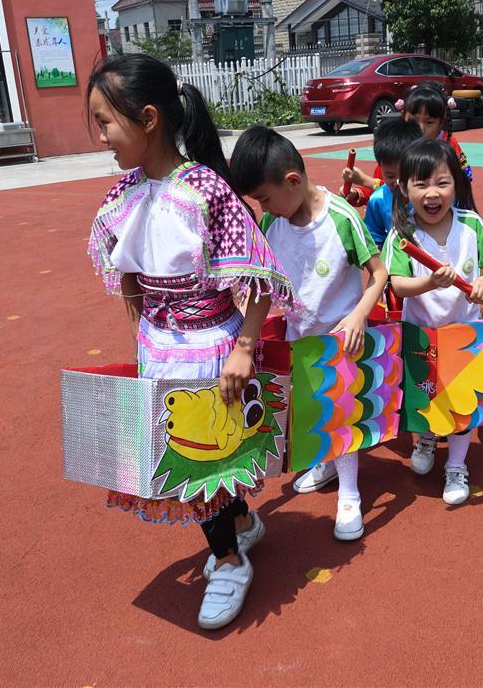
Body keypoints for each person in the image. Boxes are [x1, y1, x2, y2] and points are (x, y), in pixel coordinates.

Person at [86, 54, 299, 629]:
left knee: (200, 458)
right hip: (160, 346)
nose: (101, 136)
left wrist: (245, 348)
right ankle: (243, 527)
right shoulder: (124, 193)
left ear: (149, 118)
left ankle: (228, 560)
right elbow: (124, 264)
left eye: (105, 122)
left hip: (211, 348)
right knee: (197, 457)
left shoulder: (205, 188)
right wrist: (142, 318)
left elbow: (257, 276)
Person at [230, 127, 388, 541]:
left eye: (264, 197)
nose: (262, 206)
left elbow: (379, 274)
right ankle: (328, 460)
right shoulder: (273, 223)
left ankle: (350, 493)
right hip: (302, 336)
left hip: (343, 338)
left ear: (293, 181)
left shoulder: (341, 218)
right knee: (313, 408)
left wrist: (357, 316)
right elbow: (263, 283)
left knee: (342, 410)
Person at [381, 138, 483, 505]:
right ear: (404, 189)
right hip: (422, 337)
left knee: (463, 403)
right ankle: (425, 438)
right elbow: (398, 285)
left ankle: (456, 464)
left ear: (457, 183)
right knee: (425, 399)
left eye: (441, 182)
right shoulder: (403, 236)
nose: (432, 193)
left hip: (467, 335)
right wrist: (429, 282)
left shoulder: (471, 225)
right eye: (421, 184)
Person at [343, 81, 473, 205]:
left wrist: (367, 181)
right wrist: (357, 193)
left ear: (441, 122)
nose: (421, 128)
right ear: (403, 115)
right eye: (414, 120)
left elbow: (462, 182)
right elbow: (382, 186)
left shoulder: (447, 146)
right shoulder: (397, 146)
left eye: (429, 122)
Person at [363, 118, 424, 247]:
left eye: (406, 175)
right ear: (380, 167)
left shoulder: (431, 196)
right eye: (390, 176)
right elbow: (374, 241)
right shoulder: (378, 200)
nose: (398, 182)